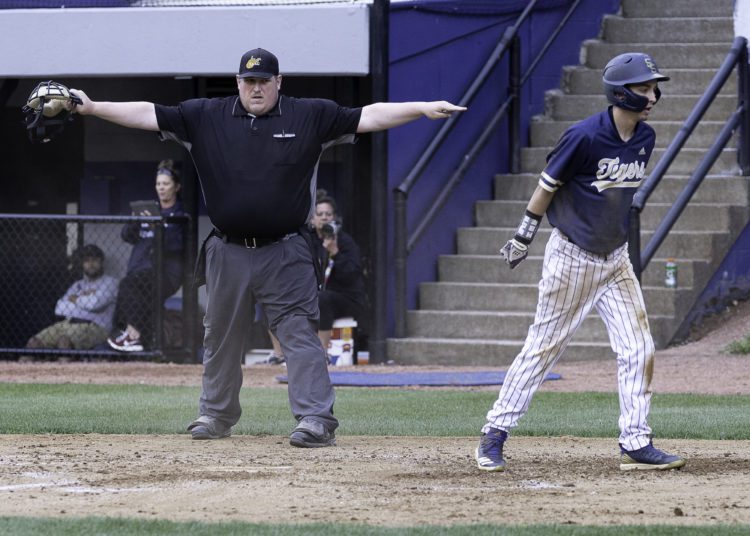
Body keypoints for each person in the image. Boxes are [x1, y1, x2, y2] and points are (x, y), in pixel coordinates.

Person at [69, 47, 466, 447]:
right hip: (227, 249)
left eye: (263, 81)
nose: (255, 88)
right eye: (248, 81)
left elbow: (369, 116)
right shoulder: (207, 115)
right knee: (220, 335)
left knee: (299, 332)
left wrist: (420, 108)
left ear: (279, 82)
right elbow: (147, 113)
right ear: (237, 82)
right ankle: (216, 414)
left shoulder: (308, 114)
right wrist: (93, 107)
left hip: (286, 250)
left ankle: (315, 418)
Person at [474, 52, 686, 472]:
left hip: (616, 260)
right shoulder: (583, 136)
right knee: (543, 348)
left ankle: (635, 441)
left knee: (639, 348)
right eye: (643, 88)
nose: (652, 96)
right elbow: (546, 187)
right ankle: (493, 434)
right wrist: (523, 236)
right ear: (620, 93)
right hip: (573, 257)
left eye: (653, 88)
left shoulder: (645, 138)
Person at [107, 159, 186, 352]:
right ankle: (137, 339)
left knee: (129, 285)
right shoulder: (150, 209)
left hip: (166, 273)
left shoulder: (179, 213)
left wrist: (157, 228)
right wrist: (136, 220)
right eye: (158, 184)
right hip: (139, 270)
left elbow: (176, 245)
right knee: (134, 292)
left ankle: (132, 334)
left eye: (166, 184)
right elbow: (126, 236)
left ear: (176, 187)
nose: (161, 188)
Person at [25, 244, 117, 356]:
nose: (91, 264)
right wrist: (86, 300)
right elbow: (59, 308)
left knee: (64, 342)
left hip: (95, 327)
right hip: (67, 324)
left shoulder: (111, 282)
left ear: (101, 262)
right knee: (33, 342)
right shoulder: (78, 285)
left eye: (94, 260)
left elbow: (94, 304)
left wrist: (75, 299)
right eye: (87, 261)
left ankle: (63, 367)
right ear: (82, 264)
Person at [310, 190, 366, 353]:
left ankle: (322, 353)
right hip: (315, 295)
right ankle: (280, 354)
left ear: (334, 218)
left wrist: (335, 252)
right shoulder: (309, 241)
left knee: (323, 299)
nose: (324, 217)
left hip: (347, 298)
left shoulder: (345, 241)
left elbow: (351, 276)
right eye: (320, 214)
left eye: (328, 214)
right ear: (312, 219)